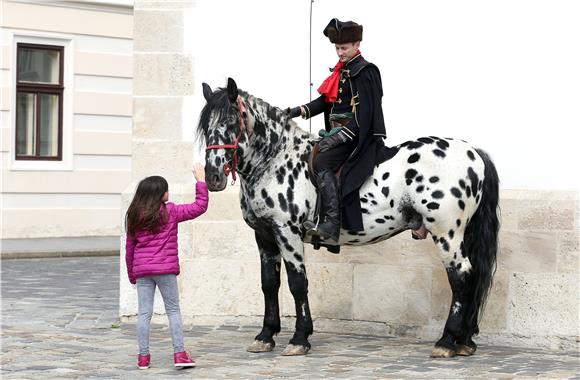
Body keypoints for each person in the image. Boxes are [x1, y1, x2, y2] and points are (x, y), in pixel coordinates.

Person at [286, 18, 387, 244]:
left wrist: (341, 136)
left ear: (357, 44)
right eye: (337, 48)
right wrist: (295, 111)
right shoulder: (342, 71)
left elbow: (366, 114)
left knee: (321, 163)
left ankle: (331, 223)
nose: (340, 52)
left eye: (344, 48)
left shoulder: (365, 71)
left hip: (358, 137)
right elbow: (324, 102)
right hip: (339, 135)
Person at [125, 163, 208, 370]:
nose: (168, 192)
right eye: (166, 189)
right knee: (173, 311)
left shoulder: (134, 215)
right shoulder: (171, 212)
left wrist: (132, 275)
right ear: (160, 194)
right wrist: (201, 181)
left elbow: (130, 248)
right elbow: (199, 207)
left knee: (144, 314)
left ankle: (143, 358)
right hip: (166, 270)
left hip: (143, 272)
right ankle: (179, 355)